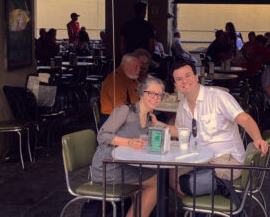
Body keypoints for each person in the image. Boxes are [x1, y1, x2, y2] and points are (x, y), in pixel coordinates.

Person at [160, 61, 268, 182]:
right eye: (179, 79)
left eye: (187, 75)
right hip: (200, 158)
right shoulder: (182, 106)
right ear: (175, 84)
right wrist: (159, 125)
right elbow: (180, 131)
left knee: (189, 179)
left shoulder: (218, 97)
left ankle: (222, 194)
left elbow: (244, 118)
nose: (184, 81)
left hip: (226, 160)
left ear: (196, 77)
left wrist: (257, 138)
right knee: (173, 176)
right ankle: (208, 195)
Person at [91, 76, 165, 217]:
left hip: (125, 164)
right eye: (151, 93)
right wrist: (128, 142)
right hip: (108, 166)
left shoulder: (150, 118)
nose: (155, 97)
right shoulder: (126, 110)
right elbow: (102, 135)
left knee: (156, 178)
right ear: (142, 93)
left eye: (159, 95)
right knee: (156, 183)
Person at [99, 54, 140, 123]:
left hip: (127, 115)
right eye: (136, 66)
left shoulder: (130, 77)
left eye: (139, 67)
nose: (139, 69)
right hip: (112, 120)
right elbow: (120, 107)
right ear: (125, 66)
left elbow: (141, 93)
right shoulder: (115, 80)